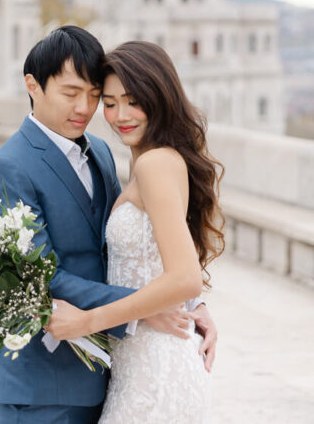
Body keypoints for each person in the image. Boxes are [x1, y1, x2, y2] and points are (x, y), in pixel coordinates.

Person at [0, 26, 217, 424]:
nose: (85, 109)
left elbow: (140, 246)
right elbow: (43, 274)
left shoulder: (105, 153)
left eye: (94, 97)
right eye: (72, 94)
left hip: (112, 371)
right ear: (33, 86)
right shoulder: (9, 166)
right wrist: (138, 313)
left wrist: (191, 304)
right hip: (46, 382)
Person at [46, 40, 225, 423]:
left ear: (159, 97)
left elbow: (185, 277)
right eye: (109, 103)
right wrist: (193, 310)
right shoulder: (149, 161)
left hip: (157, 368)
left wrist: (88, 321)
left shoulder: (155, 164)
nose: (120, 115)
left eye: (133, 101)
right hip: (140, 362)